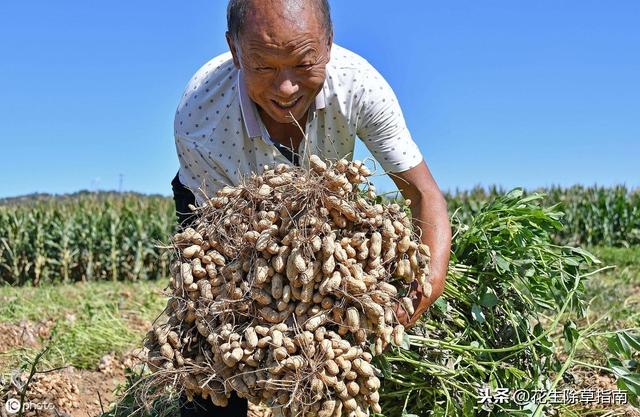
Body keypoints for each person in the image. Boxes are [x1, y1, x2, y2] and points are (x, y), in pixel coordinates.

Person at [172, 0, 452, 415]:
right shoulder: (201, 118)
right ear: (234, 51)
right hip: (228, 211)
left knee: (331, 350)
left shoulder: (359, 86)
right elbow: (228, 247)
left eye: (304, 64)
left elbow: (423, 195)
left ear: (328, 43)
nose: (286, 89)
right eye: (264, 67)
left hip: (322, 203)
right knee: (214, 344)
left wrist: (424, 285)